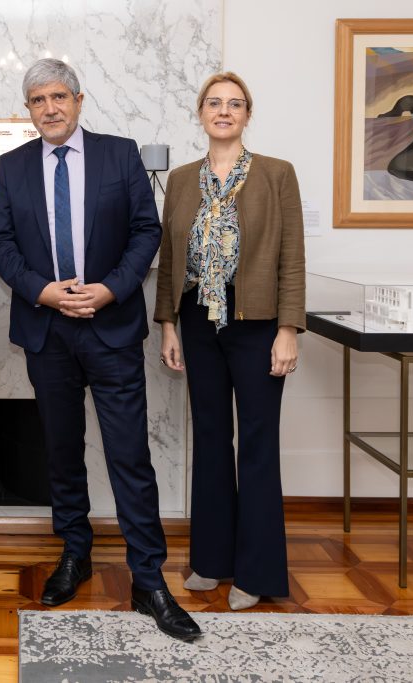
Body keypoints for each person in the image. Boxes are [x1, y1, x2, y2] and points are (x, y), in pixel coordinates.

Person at [0, 58, 200, 641]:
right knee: (60, 451)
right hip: (46, 329)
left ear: (79, 100)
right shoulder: (13, 166)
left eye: (59, 97)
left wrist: (108, 289)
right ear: (27, 110)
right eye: (38, 100)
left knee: (129, 453)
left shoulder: (118, 153)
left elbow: (145, 232)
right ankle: (74, 554)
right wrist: (42, 292)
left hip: (110, 328)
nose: (50, 108)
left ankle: (148, 580)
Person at [154, 71, 305, 610]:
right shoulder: (180, 178)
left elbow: (292, 256)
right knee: (212, 439)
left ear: (246, 114)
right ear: (201, 113)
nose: (224, 111)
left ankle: (256, 572)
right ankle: (211, 560)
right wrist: (168, 323)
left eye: (234, 104)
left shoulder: (275, 174)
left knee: (258, 446)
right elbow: (171, 259)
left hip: (258, 322)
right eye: (214, 103)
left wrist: (288, 330)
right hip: (197, 319)